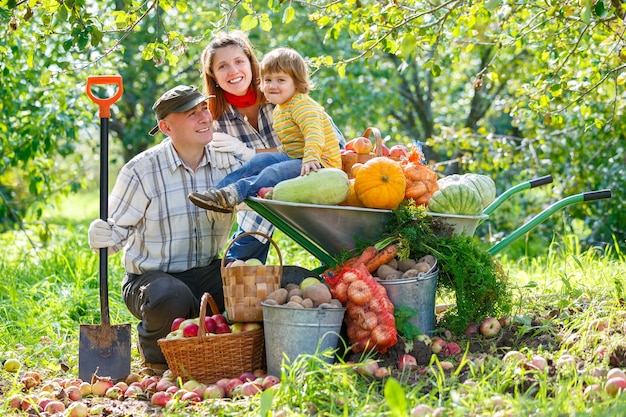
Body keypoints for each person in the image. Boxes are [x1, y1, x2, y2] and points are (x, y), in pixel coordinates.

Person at [87, 85, 238, 373]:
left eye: (204, 109)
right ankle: (157, 358)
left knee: (248, 286)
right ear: (166, 127)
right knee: (172, 296)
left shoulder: (226, 161)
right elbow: (115, 235)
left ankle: (213, 344)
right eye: (191, 114)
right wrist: (101, 234)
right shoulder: (142, 170)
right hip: (152, 280)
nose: (204, 117)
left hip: (207, 270)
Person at [196, 31, 344, 263]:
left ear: (251, 64)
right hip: (261, 197)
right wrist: (251, 158)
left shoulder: (284, 95)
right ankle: (218, 195)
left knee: (268, 172)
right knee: (260, 176)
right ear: (213, 75)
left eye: (238, 62)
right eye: (222, 66)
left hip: (315, 173)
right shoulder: (216, 117)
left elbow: (332, 141)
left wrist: (247, 152)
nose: (233, 71)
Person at [188, 46, 342, 213]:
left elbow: (314, 133)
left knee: (273, 172)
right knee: (258, 161)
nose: (272, 85)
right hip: (297, 157)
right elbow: (293, 142)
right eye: (267, 80)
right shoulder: (281, 108)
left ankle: (234, 194)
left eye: (280, 80)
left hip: (319, 164)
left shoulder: (302, 105)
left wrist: (311, 157)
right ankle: (217, 193)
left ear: (297, 83)